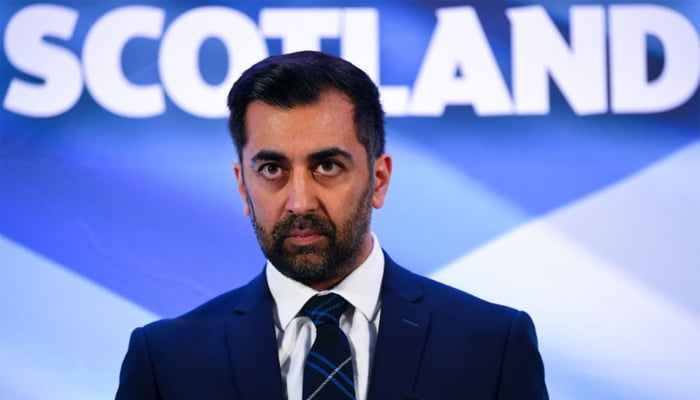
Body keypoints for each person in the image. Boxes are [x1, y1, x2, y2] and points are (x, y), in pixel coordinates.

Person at [116, 50, 548, 400]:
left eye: (327, 166)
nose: (299, 202)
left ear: (379, 179)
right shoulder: (166, 361)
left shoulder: (492, 346)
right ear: (242, 186)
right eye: (271, 169)